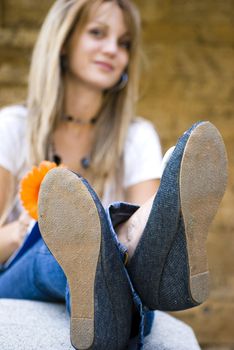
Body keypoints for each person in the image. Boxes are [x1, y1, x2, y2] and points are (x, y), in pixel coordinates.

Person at [0, 0, 228, 349]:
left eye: (124, 43)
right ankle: (123, 236)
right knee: (66, 235)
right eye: (97, 33)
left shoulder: (136, 136)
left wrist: (125, 235)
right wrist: (23, 233)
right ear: (62, 41)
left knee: (138, 253)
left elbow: (148, 252)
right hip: (21, 274)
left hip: (115, 273)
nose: (113, 50)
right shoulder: (12, 126)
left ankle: (118, 270)